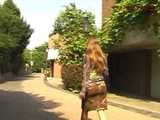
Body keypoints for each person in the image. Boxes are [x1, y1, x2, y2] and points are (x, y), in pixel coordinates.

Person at [79, 37, 109, 120]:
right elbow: (106, 73)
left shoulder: (87, 56)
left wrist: (83, 91)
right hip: (101, 86)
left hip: (90, 87)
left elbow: (86, 74)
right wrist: (105, 86)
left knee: (85, 109)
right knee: (101, 109)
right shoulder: (103, 57)